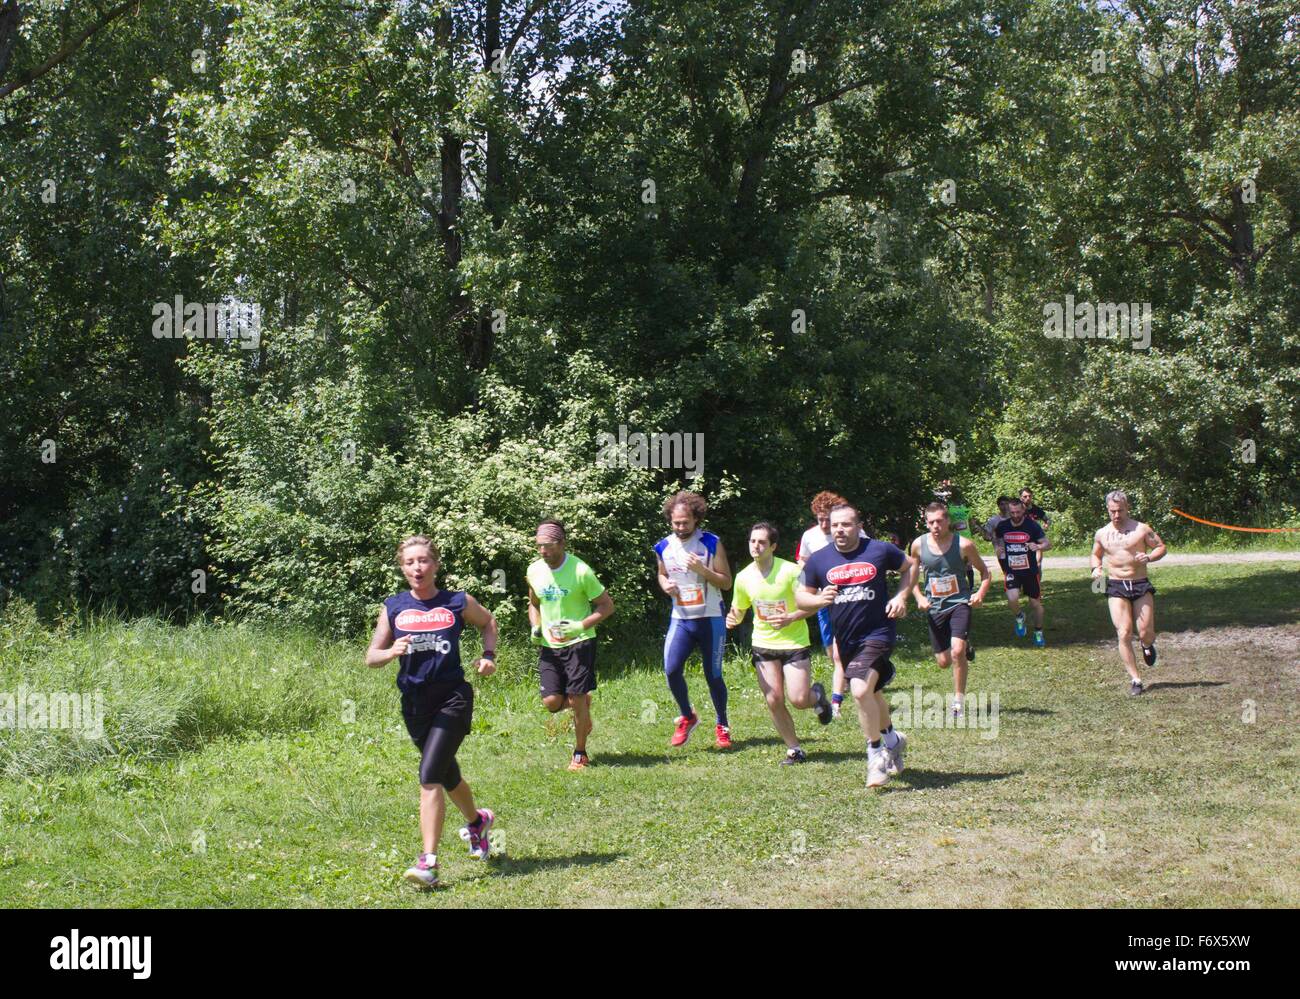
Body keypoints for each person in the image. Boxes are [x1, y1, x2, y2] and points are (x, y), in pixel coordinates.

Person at [366, 535, 499, 889]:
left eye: (423, 561)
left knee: (429, 775)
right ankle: (477, 821)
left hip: (452, 697)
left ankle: (429, 863)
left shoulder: (456, 601)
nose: (417, 568)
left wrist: (489, 657)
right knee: (445, 771)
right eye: (410, 562)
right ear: (402, 568)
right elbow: (371, 658)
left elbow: (488, 622)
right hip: (414, 705)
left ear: (435, 565)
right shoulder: (393, 607)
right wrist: (391, 651)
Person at [797, 502, 919, 788]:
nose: (839, 529)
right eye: (834, 524)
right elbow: (801, 596)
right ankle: (893, 739)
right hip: (847, 639)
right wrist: (818, 600)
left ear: (858, 526)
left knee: (860, 689)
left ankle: (875, 755)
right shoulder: (818, 560)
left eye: (846, 524)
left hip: (878, 632)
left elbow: (910, 567)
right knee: (872, 693)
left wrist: (901, 597)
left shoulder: (879, 550)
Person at [727, 521, 832, 764]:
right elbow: (739, 609)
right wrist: (732, 619)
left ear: (773, 546)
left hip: (794, 642)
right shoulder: (743, 577)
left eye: (762, 542)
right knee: (773, 699)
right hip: (763, 644)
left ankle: (816, 696)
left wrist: (791, 617)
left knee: (798, 699)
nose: (756, 546)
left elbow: (814, 602)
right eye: (753, 541)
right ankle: (794, 749)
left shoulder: (791, 572)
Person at [526, 519, 616, 770]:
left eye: (549, 546)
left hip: (579, 642)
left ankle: (580, 753)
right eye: (539, 546)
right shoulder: (534, 570)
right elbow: (534, 603)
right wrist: (536, 625)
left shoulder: (580, 571)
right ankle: (583, 707)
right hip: (549, 646)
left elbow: (607, 606)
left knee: (576, 697)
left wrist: (580, 626)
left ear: (562, 544)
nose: (543, 551)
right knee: (551, 703)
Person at [654, 490, 734, 748]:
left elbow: (726, 582)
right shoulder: (663, 546)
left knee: (713, 674)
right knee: (671, 669)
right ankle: (688, 716)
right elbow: (662, 574)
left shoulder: (710, 543)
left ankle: (722, 725)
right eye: (675, 523)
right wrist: (665, 584)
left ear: (696, 519)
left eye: (685, 523)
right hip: (681, 619)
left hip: (710, 618)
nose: (680, 527)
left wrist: (702, 570)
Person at [910, 501, 991, 717]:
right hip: (935, 607)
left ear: (947, 521)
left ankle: (958, 702)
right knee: (943, 662)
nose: (935, 525)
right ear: (926, 523)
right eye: (931, 522)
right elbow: (909, 577)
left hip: (959, 603)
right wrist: (918, 597)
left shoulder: (964, 545)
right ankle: (966, 646)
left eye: (939, 521)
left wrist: (979, 594)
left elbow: (985, 573)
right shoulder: (918, 545)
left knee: (956, 652)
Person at [1090, 490, 1167, 696]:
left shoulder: (1141, 529)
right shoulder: (1102, 533)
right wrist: (1096, 569)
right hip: (1116, 585)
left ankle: (1147, 644)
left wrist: (1149, 557)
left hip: (1140, 583)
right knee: (1123, 632)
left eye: (1120, 510)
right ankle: (1136, 679)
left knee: (1145, 632)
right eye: (1113, 511)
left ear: (1127, 508)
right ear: (1107, 510)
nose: (1117, 515)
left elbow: (1161, 547)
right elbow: (1096, 555)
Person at [795, 490, 861, 719]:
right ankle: (849, 677)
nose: (824, 524)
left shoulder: (849, 532)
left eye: (827, 519)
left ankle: (837, 700)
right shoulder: (809, 536)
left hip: (852, 599)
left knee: (840, 653)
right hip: (823, 600)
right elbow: (802, 562)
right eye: (820, 519)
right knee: (832, 651)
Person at [994, 497, 1051, 646]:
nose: (1015, 515)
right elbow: (997, 539)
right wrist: (998, 548)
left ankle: (1038, 632)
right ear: (1008, 511)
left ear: (1023, 510)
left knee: (1035, 604)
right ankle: (1020, 617)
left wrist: (1038, 547)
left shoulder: (1032, 526)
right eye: (1012, 512)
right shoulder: (1003, 526)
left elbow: (1047, 543)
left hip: (1030, 571)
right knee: (1012, 598)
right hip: (1012, 570)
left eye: (1018, 512)